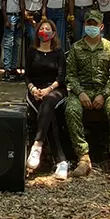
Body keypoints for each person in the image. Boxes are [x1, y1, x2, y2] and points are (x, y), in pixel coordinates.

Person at [65, 9, 110, 178]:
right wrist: (80, 93)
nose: (91, 27)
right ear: (85, 25)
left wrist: (104, 94)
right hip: (82, 92)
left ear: (101, 26)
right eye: (89, 24)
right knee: (71, 109)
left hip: (104, 93)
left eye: (95, 24)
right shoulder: (76, 48)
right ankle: (83, 158)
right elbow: (70, 75)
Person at [25, 19, 69, 180]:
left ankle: (37, 144)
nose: (45, 31)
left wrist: (49, 89)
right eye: (42, 28)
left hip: (55, 89)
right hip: (35, 89)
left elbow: (62, 76)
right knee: (49, 115)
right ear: (37, 32)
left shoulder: (58, 52)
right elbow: (27, 75)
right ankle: (62, 161)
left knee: (49, 101)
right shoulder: (31, 51)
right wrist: (33, 89)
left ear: (54, 33)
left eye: (48, 29)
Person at [1, 0, 24, 81]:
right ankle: (7, 68)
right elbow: (3, 4)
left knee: (17, 43)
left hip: (20, 16)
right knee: (8, 43)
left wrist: (23, 20)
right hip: (10, 16)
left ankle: (14, 67)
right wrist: (6, 19)